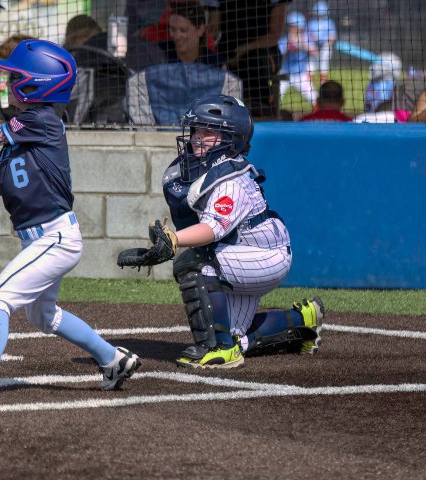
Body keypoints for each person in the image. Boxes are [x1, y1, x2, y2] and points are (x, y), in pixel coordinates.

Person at [0, 39, 141, 406]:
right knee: (42, 315)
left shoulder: (40, 120)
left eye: (15, 77)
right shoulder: (18, 139)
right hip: (38, 240)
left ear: (36, 85)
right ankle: (113, 359)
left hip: (55, 237)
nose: (8, 83)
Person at [117, 94, 322, 368]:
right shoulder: (201, 171)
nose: (197, 138)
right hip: (240, 253)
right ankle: (301, 319)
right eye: (196, 130)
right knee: (236, 335)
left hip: (267, 256)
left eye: (209, 132)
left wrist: (174, 240)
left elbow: (212, 229)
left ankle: (218, 349)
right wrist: (168, 243)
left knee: (195, 263)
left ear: (232, 139)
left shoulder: (232, 181)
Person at [204, 0, 292, 117]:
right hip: (228, 47)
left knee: (253, 61)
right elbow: (213, 28)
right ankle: (216, 111)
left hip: (264, 51)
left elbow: (274, 35)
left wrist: (244, 49)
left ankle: (260, 110)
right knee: (211, 62)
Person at [159, 2, 223, 67]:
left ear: (200, 30)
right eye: (173, 29)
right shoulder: (158, 53)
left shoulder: (216, 64)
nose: (177, 36)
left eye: (183, 30)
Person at [278, 11, 318, 107]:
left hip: (301, 74)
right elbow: (279, 58)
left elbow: (316, 52)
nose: (291, 28)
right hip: (285, 74)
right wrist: (288, 48)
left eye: (293, 26)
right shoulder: (284, 39)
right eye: (290, 26)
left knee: (314, 98)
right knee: (274, 98)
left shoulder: (306, 38)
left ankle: (321, 115)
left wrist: (303, 45)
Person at [306, 1, 338, 82]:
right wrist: (311, 47)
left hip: (325, 46)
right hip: (313, 47)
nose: (319, 15)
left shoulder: (329, 22)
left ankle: (323, 84)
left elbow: (332, 35)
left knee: (323, 66)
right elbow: (306, 36)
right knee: (310, 65)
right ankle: (307, 85)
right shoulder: (311, 22)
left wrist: (327, 44)